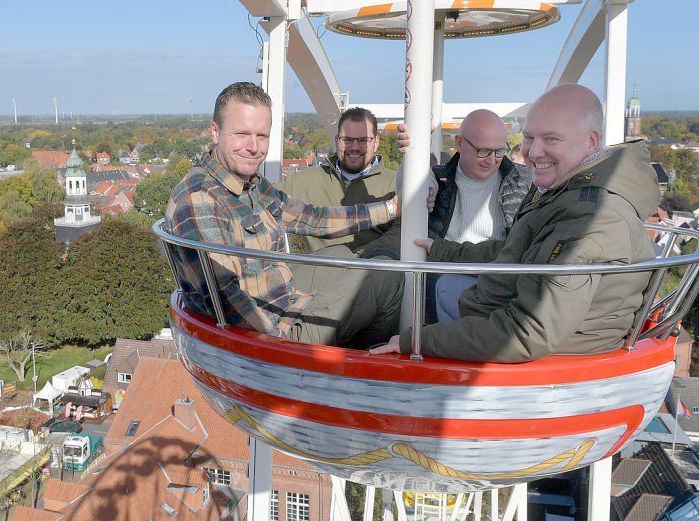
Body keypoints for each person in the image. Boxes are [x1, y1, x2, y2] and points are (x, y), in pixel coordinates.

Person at [370, 84, 661, 362]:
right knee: (445, 286)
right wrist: (442, 250)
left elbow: (528, 333)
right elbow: (512, 250)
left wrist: (416, 342)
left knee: (430, 291)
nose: (533, 153)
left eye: (551, 139)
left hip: (546, 355)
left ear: (591, 141)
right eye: (529, 138)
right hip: (513, 309)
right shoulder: (563, 192)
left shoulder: (592, 217)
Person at [165, 82, 402, 347]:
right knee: (389, 277)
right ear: (215, 132)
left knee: (346, 256)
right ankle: (360, 362)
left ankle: (344, 334)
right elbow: (225, 296)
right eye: (242, 134)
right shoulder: (200, 199)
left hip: (278, 297)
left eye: (262, 136)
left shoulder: (249, 184)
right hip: (267, 333)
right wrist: (281, 344)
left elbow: (313, 218)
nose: (253, 147)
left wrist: (391, 209)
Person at [366, 110, 533, 321]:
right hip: (444, 284)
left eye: (499, 151)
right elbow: (413, 189)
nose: (491, 160)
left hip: (501, 286)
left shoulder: (525, 181)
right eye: (483, 151)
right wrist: (413, 155)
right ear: (460, 143)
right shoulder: (438, 180)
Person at [277, 107, 398, 255]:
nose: (354, 147)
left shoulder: (395, 184)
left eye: (363, 140)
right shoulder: (301, 181)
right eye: (346, 139)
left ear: (376, 142)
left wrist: (355, 262)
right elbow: (261, 203)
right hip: (313, 274)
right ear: (336, 140)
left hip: (368, 273)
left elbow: (399, 238)